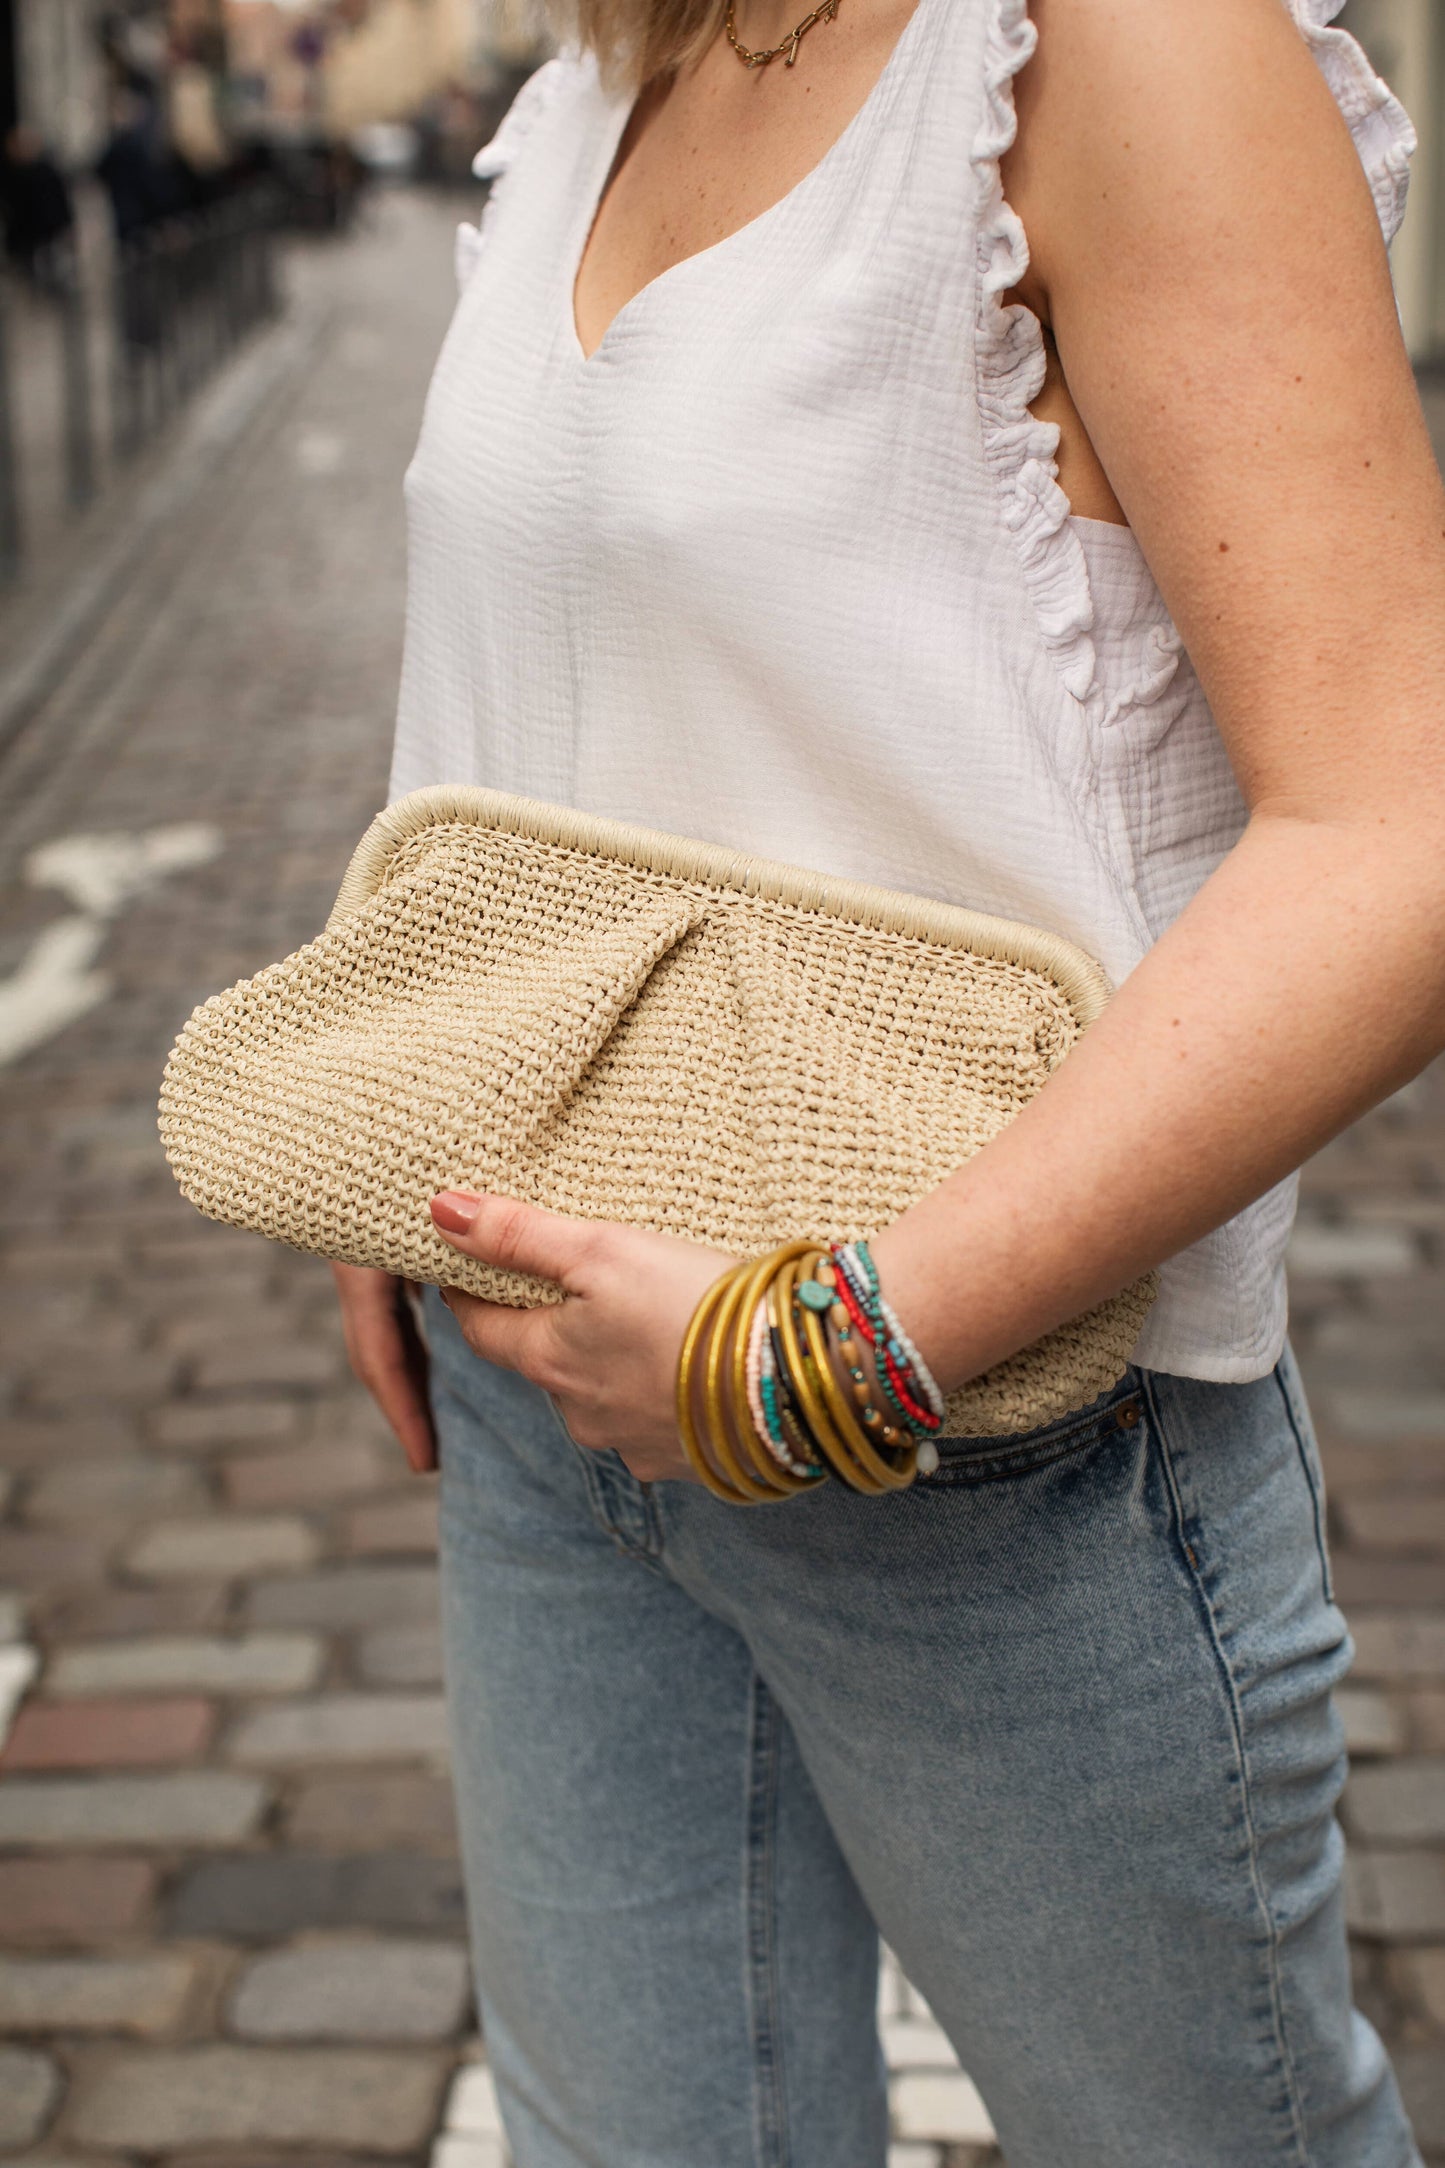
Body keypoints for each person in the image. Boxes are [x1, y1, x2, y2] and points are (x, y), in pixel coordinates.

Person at [332, 0, 1444, 2159]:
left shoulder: (1117, 48)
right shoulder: (596, 86)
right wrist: (401, 1115)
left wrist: (822, 1348)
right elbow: (541, 688)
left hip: (988, 1424)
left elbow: (1401, 830)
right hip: (557, 1411)